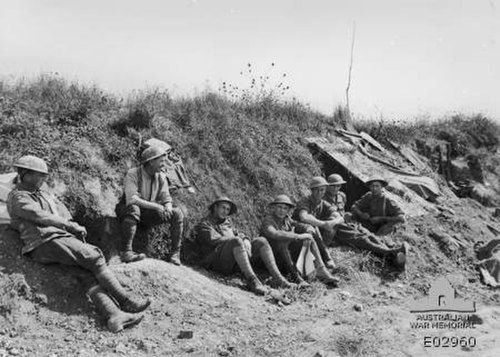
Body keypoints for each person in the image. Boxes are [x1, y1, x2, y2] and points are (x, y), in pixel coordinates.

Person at [7, 155, 150, 333]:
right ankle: (126, 300)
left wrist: (71, 225)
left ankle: (114, 315)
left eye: (44, 175)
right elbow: (40, 216)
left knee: (85, 274)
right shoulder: (19, 197)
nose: (44, 179)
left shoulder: (40, 194)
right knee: (95, 257)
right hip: (46, 240)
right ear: (25, 174)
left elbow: (61, 213)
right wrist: (69, 225)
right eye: (40, 175)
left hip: (52, 241)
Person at [193, 196, 295, 295]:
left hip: (234, 262)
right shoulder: (205, 224)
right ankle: (253, 281)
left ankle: (279, 279)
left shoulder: (227, 222)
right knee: (236, 241)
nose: (225, 211)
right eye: (223, 208)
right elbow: (215, 240)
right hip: (216, 262)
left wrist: (245, 239)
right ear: (215, 207)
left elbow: (238, 233)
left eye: (227, 209)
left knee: (261, 241)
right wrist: (238, 240)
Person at [115, 146, 184, 265]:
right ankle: (126, 252)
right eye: (161, 161)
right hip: (127, 210)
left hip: (146, 214)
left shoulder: (161, 177)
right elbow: (132, 199)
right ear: (151, 161)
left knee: (176, 213)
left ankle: (175, 254)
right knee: (134, 208)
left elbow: (166, 197)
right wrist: (157, 206)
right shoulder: (133, 173)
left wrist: (167, 206)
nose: (164, 164)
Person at [324, 174, 408, 267]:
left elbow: (402, 217)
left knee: (369, 235)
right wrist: (360, 214)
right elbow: (353, 207)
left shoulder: (341, 196)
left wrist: (381, 218)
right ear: (327, 185)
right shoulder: (323, 198)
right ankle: (390, 252)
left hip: (351, 223)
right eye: (333, 186)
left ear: (382, 187)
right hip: (336, 227)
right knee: (362, 238)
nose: (335, 188)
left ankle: (392, 255)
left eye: (338, 186)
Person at [260, 195, 340, 286]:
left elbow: (299, 224)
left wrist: (309, 229)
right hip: (272, 260)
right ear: (273, 208)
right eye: (279, 207)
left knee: (308, 239)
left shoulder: (287, 219)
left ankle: (321, 269)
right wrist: (298, 236)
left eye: (285, 208)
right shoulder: (268, 220)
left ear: (288, 210)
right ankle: (296, 277)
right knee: (283, 243)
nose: (282, 210)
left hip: (286, 258)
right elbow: (275, 234)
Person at [292, 176, 343, 269]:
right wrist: (323, 224)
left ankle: (323, 250)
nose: (319, 193)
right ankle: (326, 256)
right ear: (312, 190)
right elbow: (304, 217)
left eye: (322, 190)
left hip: (313, 233)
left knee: (333, 222)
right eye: (316, 190)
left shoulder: (323, 203)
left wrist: (332, 222)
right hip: (298, 230)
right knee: (313, 225)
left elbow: (339, 217)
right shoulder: (305, 200)